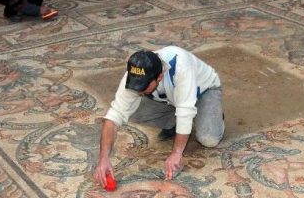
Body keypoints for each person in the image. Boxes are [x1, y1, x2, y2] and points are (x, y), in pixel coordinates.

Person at [94, 46, 224, 184]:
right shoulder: (135, 72)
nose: (139, 90)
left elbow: (185, 112)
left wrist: (176, 154)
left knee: (208, 139)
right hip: (171, 99)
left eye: (144, 86)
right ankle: (173, 123)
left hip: (204, 91)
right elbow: (113, 117)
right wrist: (103, 159)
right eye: (137, 86)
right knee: (131, 110)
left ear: (159, 77)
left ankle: (214, 115)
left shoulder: (181, 66)